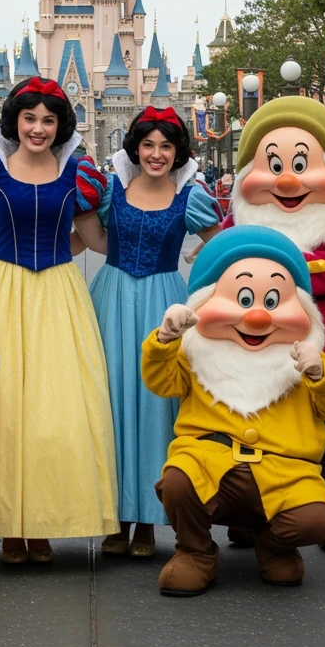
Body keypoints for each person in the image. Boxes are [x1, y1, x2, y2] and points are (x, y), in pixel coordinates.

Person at [0, 76, 118, 564]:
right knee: (3, 410)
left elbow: (95, 239)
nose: (38, 128)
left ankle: (41, 524)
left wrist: (164, 228)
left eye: (48, 120)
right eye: (30, 118)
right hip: (2, 293)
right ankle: (7, 528)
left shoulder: (77, 177)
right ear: (15, 121)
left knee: (54, 410)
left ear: (61, 126)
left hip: (59, 295)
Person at [144, 227, 325, 595]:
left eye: (273, 300)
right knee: (177, 482)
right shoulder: (198, 352)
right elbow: (162, 383)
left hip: (284, 473)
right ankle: (195, 553)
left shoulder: (304, 358)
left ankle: (271, 544)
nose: (257, 318)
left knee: (314, 519)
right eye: (241, 298)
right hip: (210, 460)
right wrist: (164, 340)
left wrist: (320, 374)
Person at [219, 97, 325, 552]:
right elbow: (223, 271)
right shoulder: (239, 219)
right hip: (255, 341)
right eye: (275, 164)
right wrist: (306, 266)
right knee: (256, 422)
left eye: (302, 163)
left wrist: (275, 270)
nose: (288, 179)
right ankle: (255, 509)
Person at [81, 106, 222, 558]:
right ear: (136, 148)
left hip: (166, 303)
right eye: (148, 145)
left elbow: (220, 242)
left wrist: (199, 272)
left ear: (178, 152)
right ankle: (116, 516)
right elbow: (86, 238)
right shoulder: (110, 192)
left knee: (158, 407)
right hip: (113, 297)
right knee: (113, 402)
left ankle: (148, 519)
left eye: (166, 146)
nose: (156, 154)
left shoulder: (192, 197)